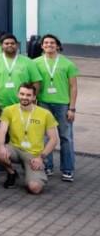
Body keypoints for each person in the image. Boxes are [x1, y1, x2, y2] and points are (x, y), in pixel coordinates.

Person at [0, 83, 59, 194]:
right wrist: (1, 147)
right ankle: (12, 173)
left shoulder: (45, 114)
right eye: (22, 94)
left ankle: (32, 174)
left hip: (34, 155)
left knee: (35, 188)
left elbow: (53, 139)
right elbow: (2, 131)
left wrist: (41, 158)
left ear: (34, 97)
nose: (24, 97)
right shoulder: (8, 110)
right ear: (17, 94)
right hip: (14, 149)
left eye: (28, 95)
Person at [34, 34, 78, 181]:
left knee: (66, 137)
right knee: (45, 137)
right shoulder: (35, 63)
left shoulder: (68, 64)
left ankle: (68, 169)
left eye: (52, 43)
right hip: (43, 103)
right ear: (42, 46)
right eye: (46, 43)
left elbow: (73, 87)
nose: (49, 45)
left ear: (58, 45)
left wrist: (72, 108)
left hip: (62, 105)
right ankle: (47, 166)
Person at [0, 34, 42, 145]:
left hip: (22, 106)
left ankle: (20, 154)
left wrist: (32, 99)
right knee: (0, 136)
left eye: (12, 43)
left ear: (17, 45)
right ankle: (0, 154)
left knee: (21, 136)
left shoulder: (28, 62)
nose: (9, 45)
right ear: (1, 45)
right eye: (6, 43)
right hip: (0, 106)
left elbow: (36, 81)